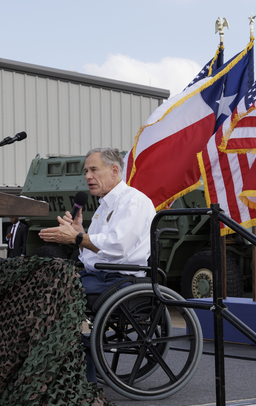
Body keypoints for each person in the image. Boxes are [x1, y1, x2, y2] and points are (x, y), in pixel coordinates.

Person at [38, 147, 156, 383]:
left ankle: (83, 378)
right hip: (102, 276)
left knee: (58, 295)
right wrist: (79, 233)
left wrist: (76, 238)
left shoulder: (134, 201)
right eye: (85, 171)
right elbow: (93, 255)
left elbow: (117, 247)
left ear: (114, 170)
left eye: (93, 170)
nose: (87, 176)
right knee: (46, 285)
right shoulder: (104, 206)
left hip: (124, 280)